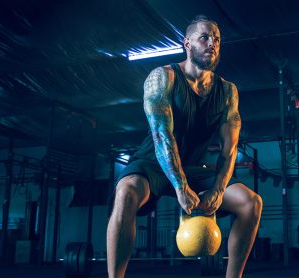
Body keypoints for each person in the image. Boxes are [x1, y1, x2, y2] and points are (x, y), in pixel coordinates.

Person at [106, 15, 262, 278]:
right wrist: (180, 187)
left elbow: (229, 149)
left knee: (251, 203)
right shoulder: (162, 78)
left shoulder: (228, 92)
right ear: (187, 44)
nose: (212, 43)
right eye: (204, 37)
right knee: (126, 192)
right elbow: (161, 136)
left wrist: (217, 189)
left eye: (217, 39)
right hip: (154, 161)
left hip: (195, 166)